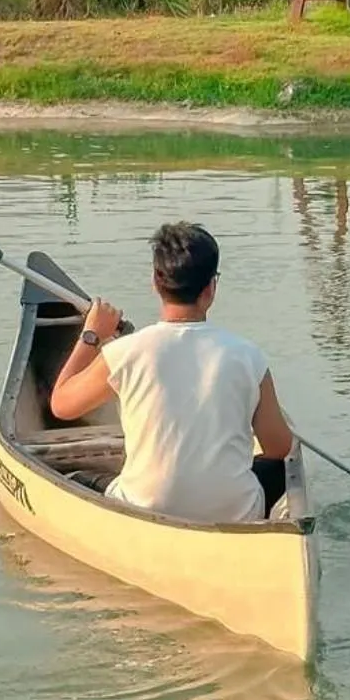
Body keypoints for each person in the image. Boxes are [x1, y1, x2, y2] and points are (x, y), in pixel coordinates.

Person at [49, 221, 293, 523]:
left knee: (73, 479)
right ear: (211, 288)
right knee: (279, 470)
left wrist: (92, 335)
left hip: (143, 510)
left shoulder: (124, 352)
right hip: (235, 513)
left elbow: (60, 405)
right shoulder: (249, 356)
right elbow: (280, 448)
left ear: (155, 281)